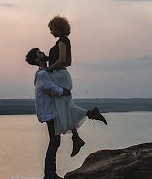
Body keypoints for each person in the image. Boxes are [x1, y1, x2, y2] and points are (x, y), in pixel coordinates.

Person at [44, 15, 107, 157]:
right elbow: (68, 62)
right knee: (66, 107)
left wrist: (49, 69)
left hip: (59, 76)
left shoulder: (62, 41)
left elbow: (62, 60)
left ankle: (78, 136)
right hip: (62, 76)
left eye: (52, 28)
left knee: (62, 108)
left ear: (57, 27)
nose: (51, 32)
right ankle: (79, 133)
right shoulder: (65, 42)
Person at [26, 47, 70, 179]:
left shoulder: (44, 73)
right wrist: (65, 91)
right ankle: (49, 176)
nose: (43, 53)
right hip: (49, 113)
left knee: (54, 142)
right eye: (39, 53)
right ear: (37, 59)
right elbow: (52, 89)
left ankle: (51, 174)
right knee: (54, 142)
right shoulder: (42, 75)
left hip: (50, 112)